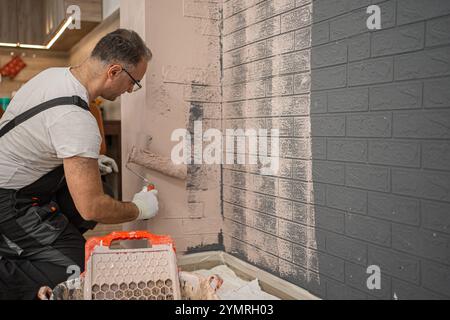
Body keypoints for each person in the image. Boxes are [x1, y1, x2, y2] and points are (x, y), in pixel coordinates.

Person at [0, 29, 158, 300]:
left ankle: (39, 241)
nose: (131, 89)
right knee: (75, 268)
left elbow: (42, 132)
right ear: (114, 71)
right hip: (9, 201)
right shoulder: (76, 118)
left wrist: (88, 159)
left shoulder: (52, 75)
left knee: (103, 191)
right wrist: (139, 208)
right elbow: (91, 207)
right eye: (134, 82)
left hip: (19, 181)